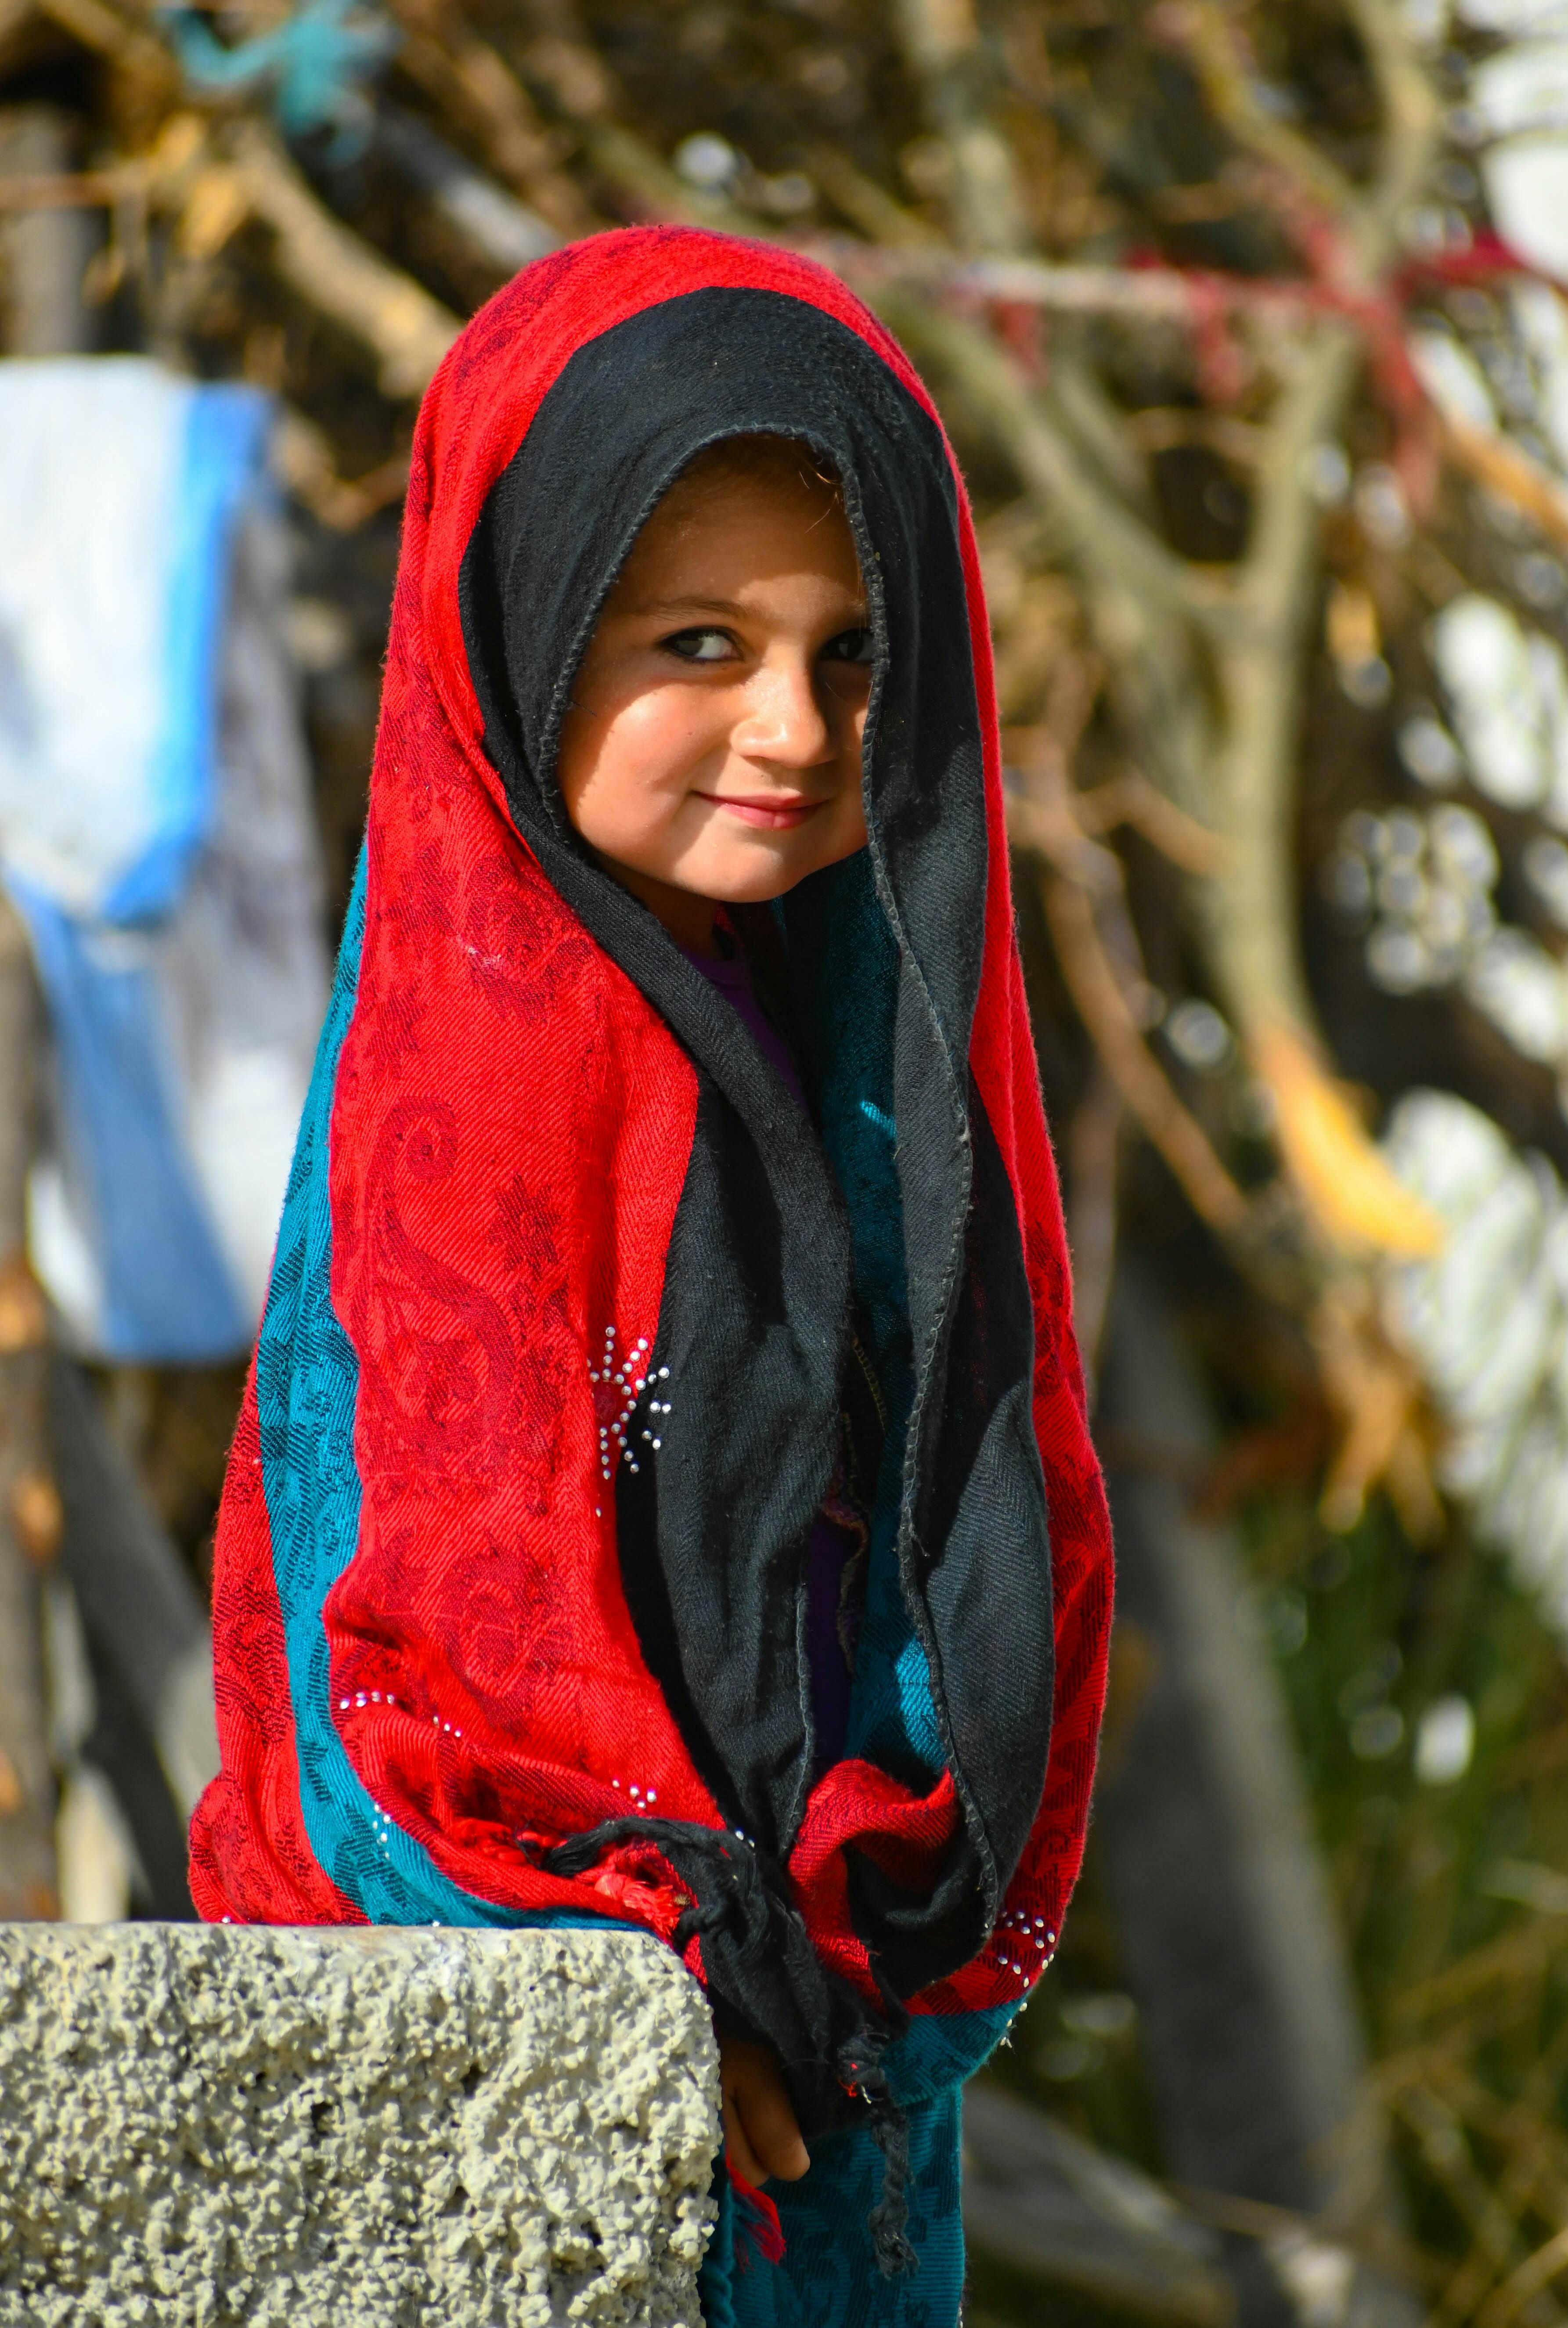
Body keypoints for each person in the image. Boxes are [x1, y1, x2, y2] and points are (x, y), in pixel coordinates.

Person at [190, 225, 1114, 2326]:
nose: (790, 727)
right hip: (566, 2067)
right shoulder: (478, 1068)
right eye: (693, 640)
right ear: (522, 626)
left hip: (819, 2040)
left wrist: (846, 1943)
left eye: (848, 652)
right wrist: (639, 1987)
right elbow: (414, 1626)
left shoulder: (855, 1035)